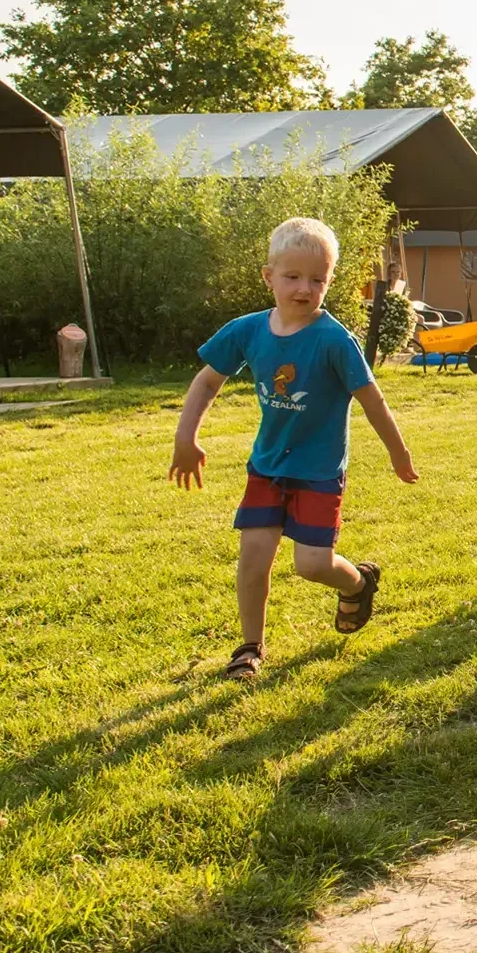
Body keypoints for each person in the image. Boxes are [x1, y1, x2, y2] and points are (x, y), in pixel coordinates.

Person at [168, 218, 419, 681]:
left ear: (330, 281)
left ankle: (358, 582)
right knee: (253, 559)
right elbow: (206, 381)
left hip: (318, 471)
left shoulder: (334, 340)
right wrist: (186, 438)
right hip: (267, 467)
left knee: (312, 565)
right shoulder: (248, 331)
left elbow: (372, 400)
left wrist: (398, 453)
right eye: (292, 276)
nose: (304, 288)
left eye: (317, 279)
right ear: (269, 277)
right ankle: (249, 648)